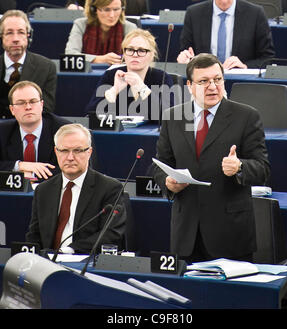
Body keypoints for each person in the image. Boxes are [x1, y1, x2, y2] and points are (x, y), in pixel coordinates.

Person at [153, 53, 270, 263]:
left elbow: (262, 168)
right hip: (186, 234)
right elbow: (160, 165)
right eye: (204, 81)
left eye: (217, 79)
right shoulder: (173, 117)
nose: (213, 86)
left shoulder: (246, 116)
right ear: (189, 85)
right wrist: (167, 182)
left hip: (230, 235)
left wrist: (240, 166)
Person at [26, 123, 126, 254]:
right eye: (64, 151)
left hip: (85, 262)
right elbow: (34, 235)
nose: (70, 157)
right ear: (56, 152)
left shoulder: (110, 188)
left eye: (77, 150)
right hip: (47, 263)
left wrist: (69, 250)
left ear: (89, 152)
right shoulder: (43, 190)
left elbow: (110, 234)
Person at [177, 0, 275, 69]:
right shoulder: (194, 14)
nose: (224, 0)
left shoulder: (255, 14)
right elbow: (186, 51)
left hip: (240, 80)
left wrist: (245, 66)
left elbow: (268, 58)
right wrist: (185, 58)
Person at [85, 29, 175, 122]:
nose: (135, 55)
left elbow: (168, 116)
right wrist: (114, 91)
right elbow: (90, 114)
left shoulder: (162, 78)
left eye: (141, 50)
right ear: (124, 53)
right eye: (130, 50)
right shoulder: (111, 75)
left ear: (152, 55)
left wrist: (142, 89)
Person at [0, 81, 71, 180]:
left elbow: (75, 168)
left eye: (33, 101)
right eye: (21, 103)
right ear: (12, 109)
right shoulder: (3, 131)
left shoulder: (65, 130)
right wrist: (19, 165)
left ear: (41, 105)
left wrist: (31, 175)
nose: (28, 107)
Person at [0, 10, 57, 118]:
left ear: (28, 36)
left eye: (21, 32)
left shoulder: (46, 67)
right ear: (1, 37)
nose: (15, 39)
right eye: (9, 33)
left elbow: (45, 111)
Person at [65, 0, 136, 65]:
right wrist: (100, 59)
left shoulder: (130, 27)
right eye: (106, 9)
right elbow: (70, 55)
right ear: (93, 9)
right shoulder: (80, 24)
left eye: (116, 9)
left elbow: (135, 57)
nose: (112, 15)